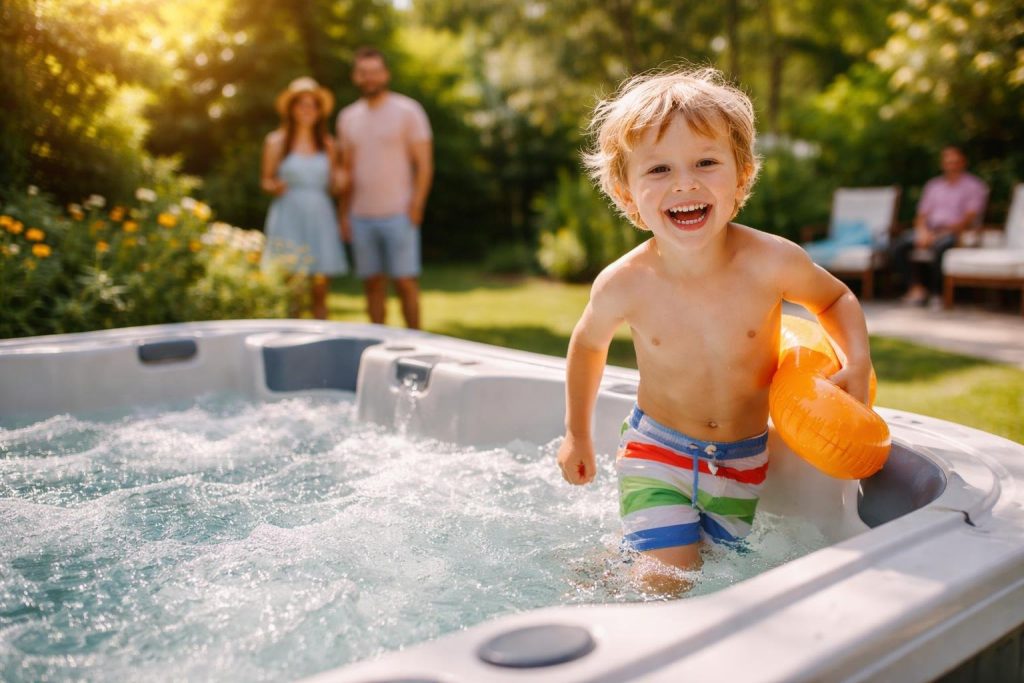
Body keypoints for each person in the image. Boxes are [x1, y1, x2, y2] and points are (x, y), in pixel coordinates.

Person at [556, 67, 874, 590]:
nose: (685, 183)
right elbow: (588, 345)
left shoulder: (770, 262)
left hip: (743, 458)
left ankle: (611, 569)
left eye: (706, 162)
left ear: (742, 174)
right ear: (626, 193)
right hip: (657, 449)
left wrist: (857, 361)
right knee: (671, 580)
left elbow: (835, 297)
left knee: (714, 573)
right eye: (658, 169)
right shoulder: (625, 283)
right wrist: (576, 434)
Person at [336, 46, 433, 329]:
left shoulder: (408, 111)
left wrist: (416, 206)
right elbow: (347, 172)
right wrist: (343, 214)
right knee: (372, 285)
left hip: (399, 213)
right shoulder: (347, 118)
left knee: (405, 283)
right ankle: (379, 344)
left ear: (386, 74)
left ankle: (416, 342)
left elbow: (424, 165)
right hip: (361, 216)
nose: (370, 78)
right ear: (356, 77)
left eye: (375, 72)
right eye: (364, 73)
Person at [261, 77, 348, 319]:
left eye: (312, 105)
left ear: (319, 111)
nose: (307, 109)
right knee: (292, 290)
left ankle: (322, 346)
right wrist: (274, 186)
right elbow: (266, 180)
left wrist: (340, 182)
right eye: (301, 104)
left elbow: (335, 186)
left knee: (320, 289)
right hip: (289, 214)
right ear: (292, 108)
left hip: (320, 215)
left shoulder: (329, 145)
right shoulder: (276, 142)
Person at [890, 146, 989, 306]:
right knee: (898, 245)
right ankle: (916, 289)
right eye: (948, 162)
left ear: (963, 162)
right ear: (943, 164)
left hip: (956, 233)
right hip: (929, 230)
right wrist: (923, 232)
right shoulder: (933, 186)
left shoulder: (974, 186)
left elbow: (969, 219)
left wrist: (938, 235)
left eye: (955, 162)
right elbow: (921, 216)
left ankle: (937, 293)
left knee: (942, 246)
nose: (952, 166)